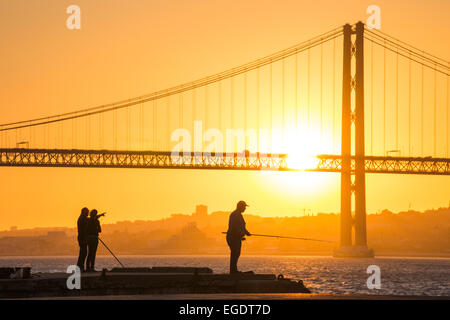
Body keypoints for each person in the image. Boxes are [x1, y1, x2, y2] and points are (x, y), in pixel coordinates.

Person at [226, 200, 251, 274]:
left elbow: (241, 227)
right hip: (233, 238)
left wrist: (246, 232)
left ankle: (234, 270)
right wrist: (241, 233)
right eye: (244, 207)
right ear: (240, 207)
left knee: (237, 253)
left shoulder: (238, 215)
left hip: (236, 238)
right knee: (235, 253)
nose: (245, 208)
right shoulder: (235, 215)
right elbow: (235, 227)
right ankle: (233, 271)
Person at [76, 207, 89, 272]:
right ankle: (80, 267)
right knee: (83, 253)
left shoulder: (82, 218)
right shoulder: (82, 219)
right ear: (84, 212)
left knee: (83, 253)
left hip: (83, 237)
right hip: (82, 237)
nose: (88, 213)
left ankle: (80, 267)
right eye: (87, 212)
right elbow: (83, 230)